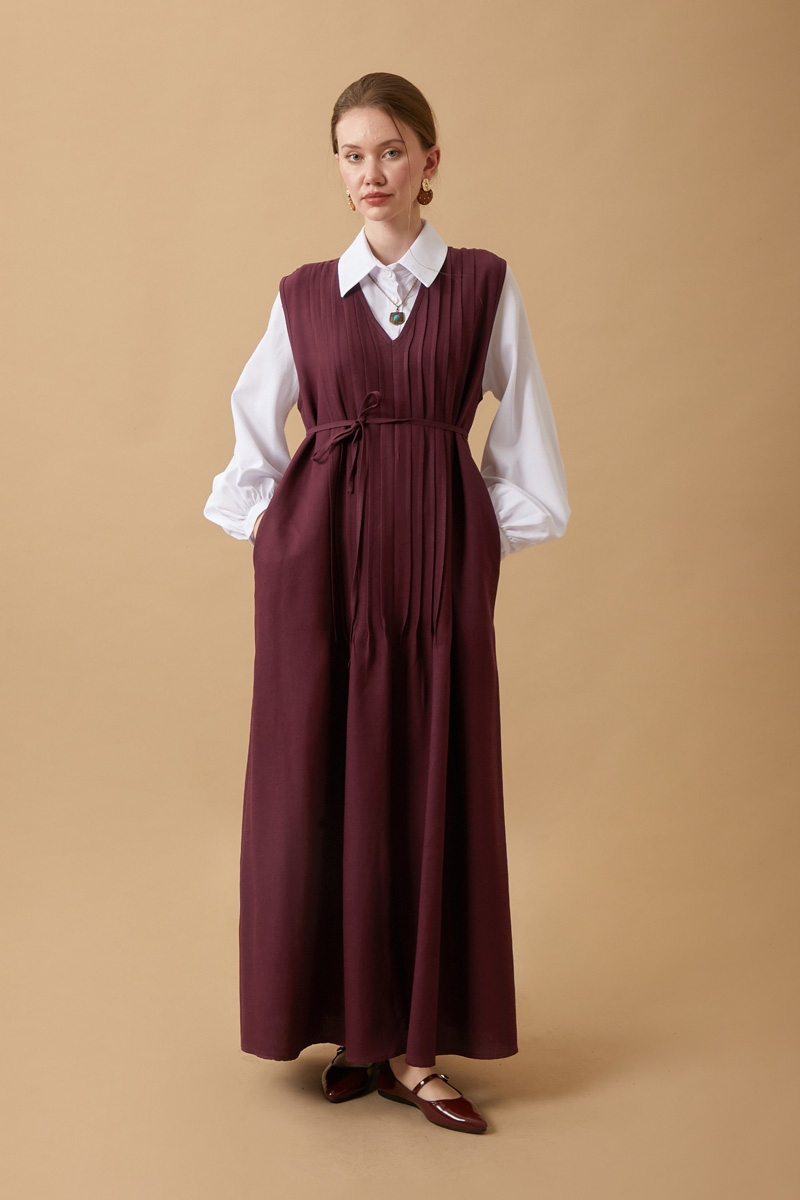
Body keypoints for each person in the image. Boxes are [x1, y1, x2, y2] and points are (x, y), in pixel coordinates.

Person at [203, 72, 571, 1135]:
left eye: (392, 150)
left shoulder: (483, 285)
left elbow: (526, 436)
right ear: (338, 167)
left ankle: (418, 1052)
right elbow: (252, 429)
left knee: (428, 776)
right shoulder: (302, 295)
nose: (372, 172)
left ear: (429, 161)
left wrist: (473, 537)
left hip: (435, 575)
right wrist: (280, 540)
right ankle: (355, 1034)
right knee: (322, 783)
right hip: (318, 581)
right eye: (353, 154)